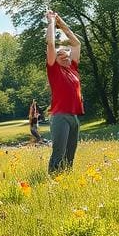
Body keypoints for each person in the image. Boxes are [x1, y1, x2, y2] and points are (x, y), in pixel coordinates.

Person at [45, 10, 83, 173]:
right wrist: (51, 22)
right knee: (58, 153)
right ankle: (52, 179)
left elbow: (76, 44)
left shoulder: (73, 68)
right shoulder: (54, 70)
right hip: (60, 115)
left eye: (66, 53)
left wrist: (61, 23)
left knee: (70, 155)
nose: (65, 55)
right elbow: (51, 44)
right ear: (55, 59)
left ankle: (66, 179)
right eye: (59, 55)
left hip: (74, 116)